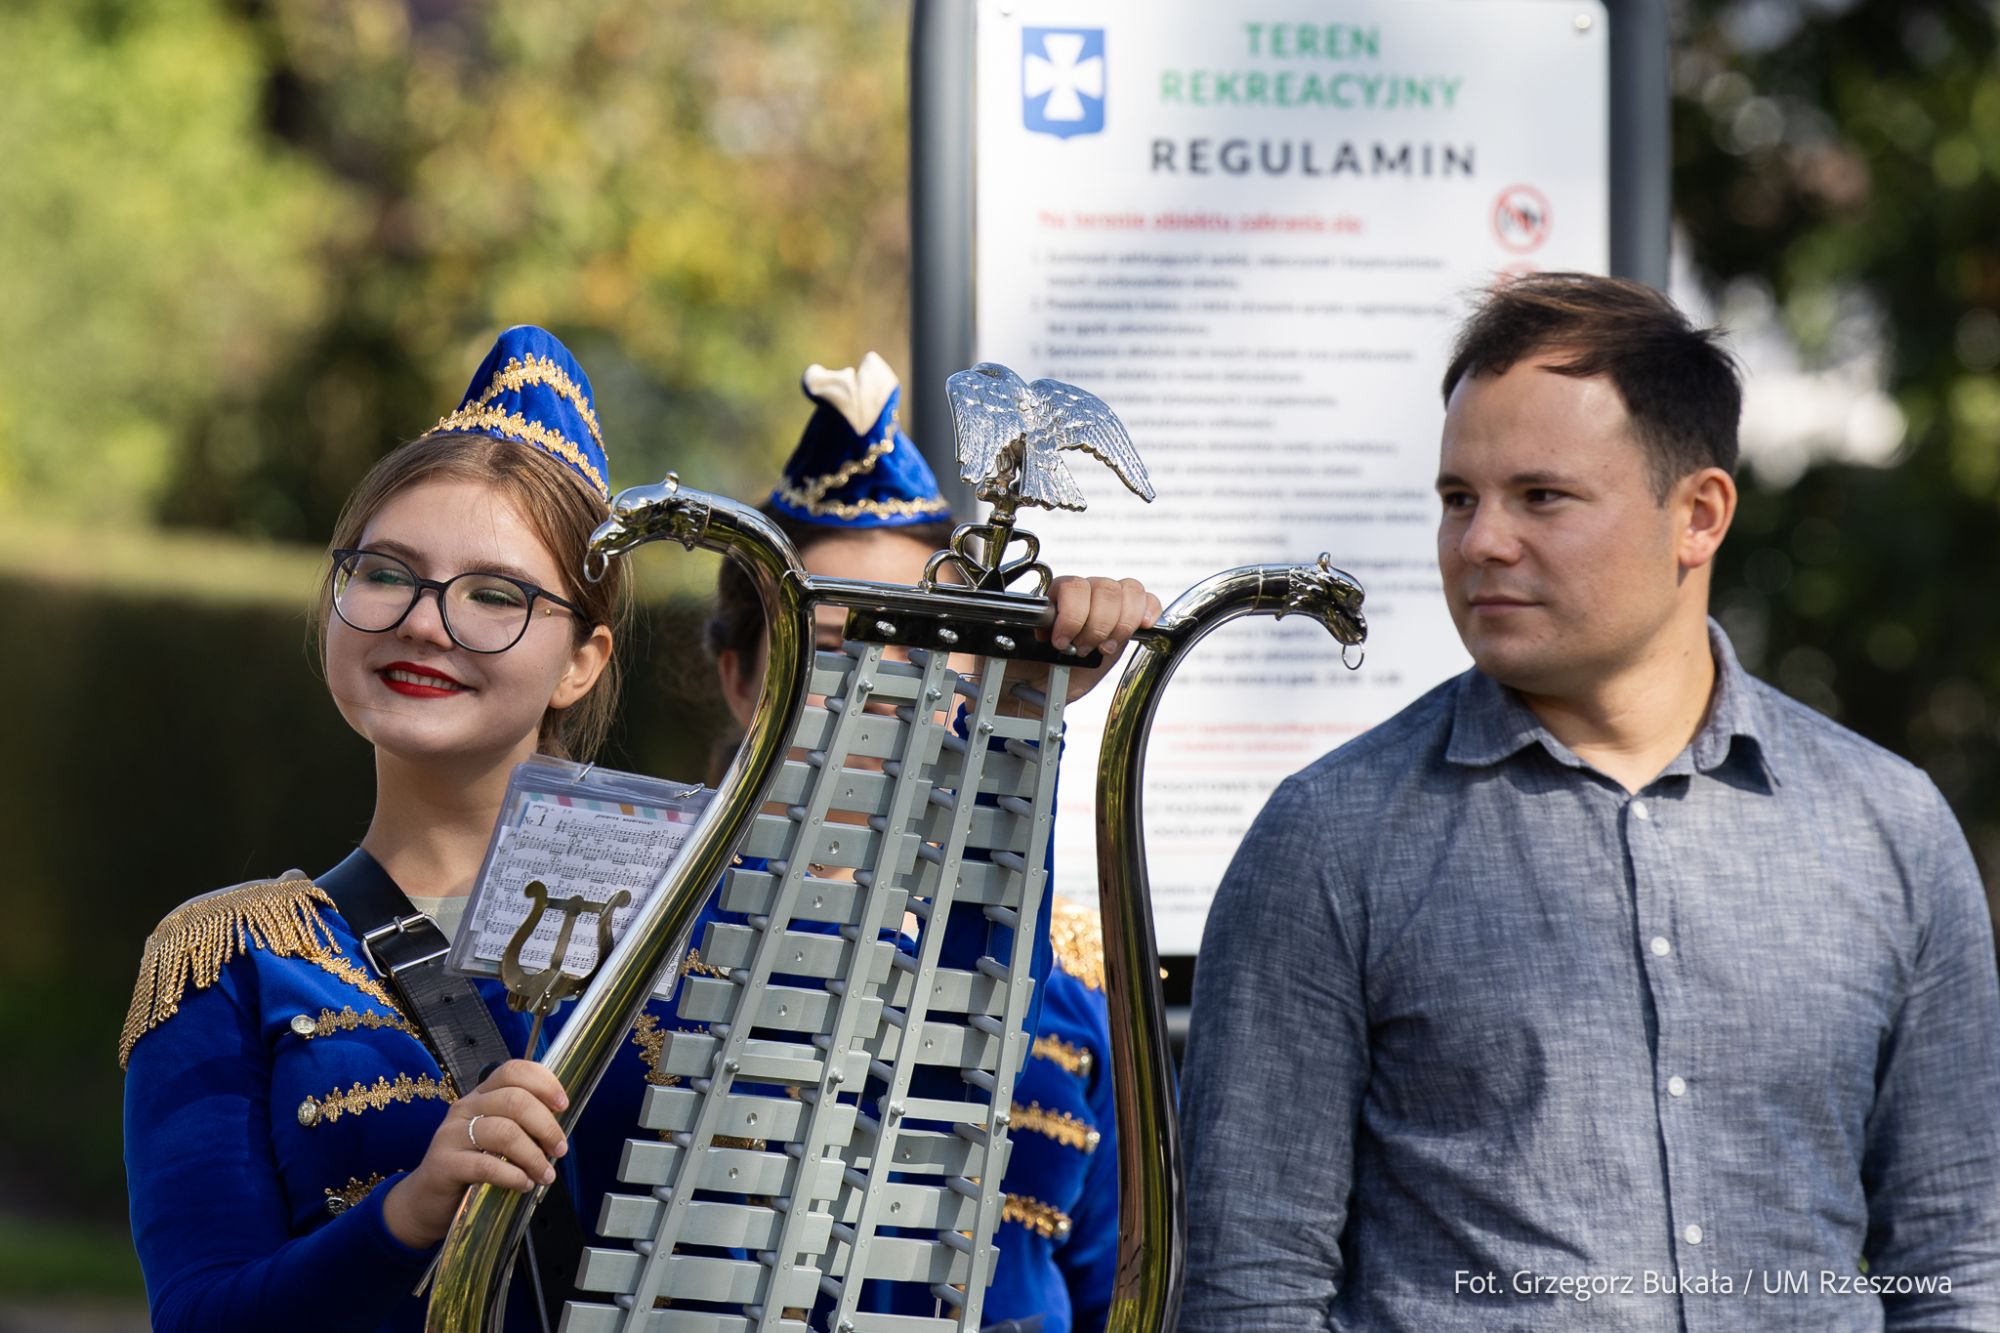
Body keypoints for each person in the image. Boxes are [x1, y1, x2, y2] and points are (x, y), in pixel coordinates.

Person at [120, 328, 1149, 1333]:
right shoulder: (226, 958)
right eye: (384, 572)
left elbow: (938, 1083)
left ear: (584, 656)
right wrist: (411, 1210)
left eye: (496, 596)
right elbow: (201, 1306)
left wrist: (1018, 713)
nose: (426, 621)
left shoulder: (727, 911)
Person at [1178, 274, 2000, 1332]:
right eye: (1456, 498)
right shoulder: (1331, 838)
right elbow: (1249, 1281)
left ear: (1695, 515)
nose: (1479, 542)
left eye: (1540, 496)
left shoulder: (1888, 828)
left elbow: (1953, 1255)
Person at [701, 352, 1130, 1333]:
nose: (887, 680)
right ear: (739, 677)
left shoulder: (1070, 975)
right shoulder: (651, 946)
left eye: (928, 641)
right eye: (841, 639)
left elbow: (1114, 1284)